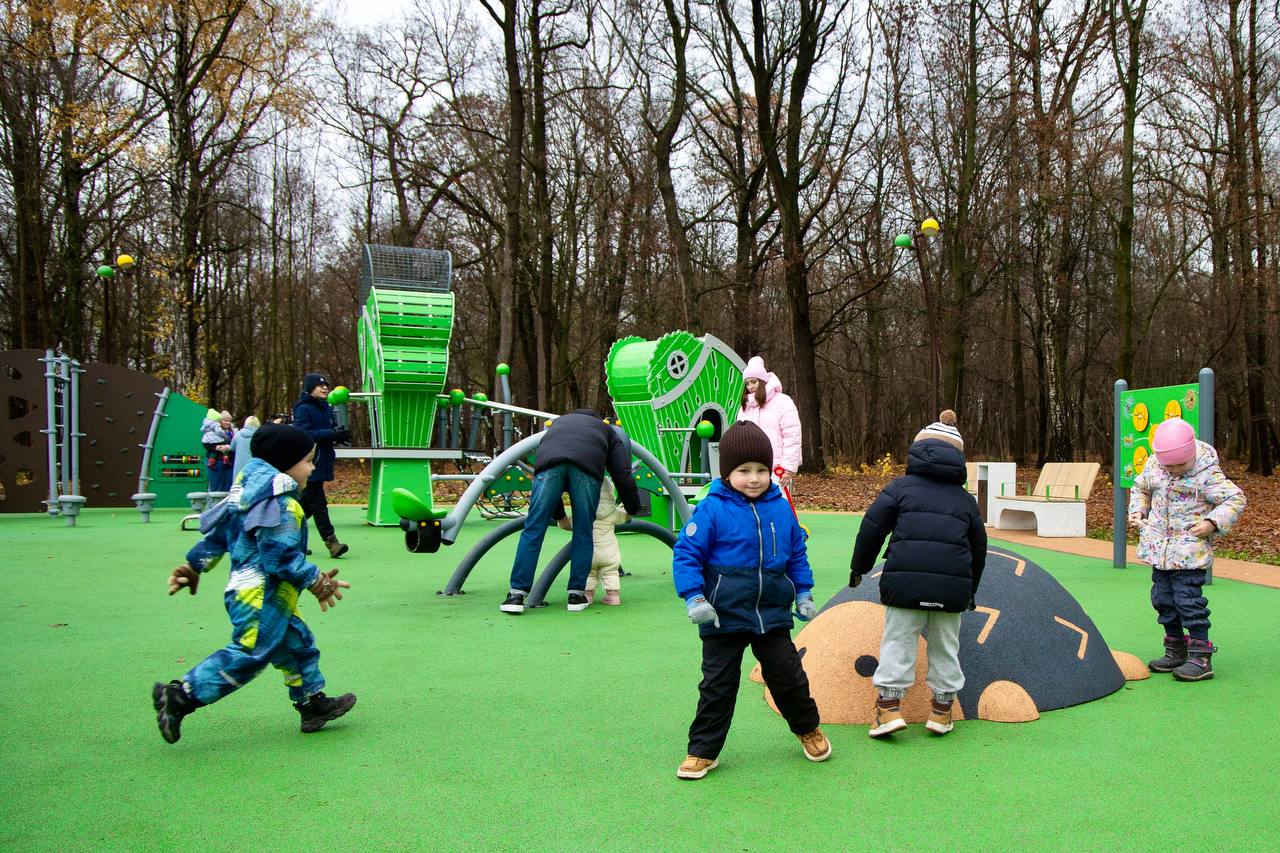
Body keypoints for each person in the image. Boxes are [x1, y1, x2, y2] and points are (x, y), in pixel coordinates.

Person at [151, 423, 357, 744]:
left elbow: (219, 535)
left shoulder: (246, 497)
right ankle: (181, 694)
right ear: (284, 463)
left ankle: (312, 703)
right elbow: (280, 557)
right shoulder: (281, 504)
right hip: (263, 597)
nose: (312, 467)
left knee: (297, 643)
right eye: (308, 460)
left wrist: (194, 566)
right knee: (250, 653)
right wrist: (315, 580)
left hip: (259, 594)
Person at [671, 420, 830, 780]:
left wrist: (803, 592)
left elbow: (796, 554)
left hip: (770, 614)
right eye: (744, 471)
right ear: (727, 472)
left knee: (788, 677)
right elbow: (686, 555)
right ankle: (702, 750)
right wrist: (694, 596)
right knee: (717, 685)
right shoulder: (712, 509)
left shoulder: (780, 507)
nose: (754, 478)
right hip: (722, 616)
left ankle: (808, 728)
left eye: (761, 470)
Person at [849, 410, 986, 739]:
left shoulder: (899, 489)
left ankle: (888, 707)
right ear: (958, 459)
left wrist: (860, 567)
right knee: (945, 646)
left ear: (917, 451)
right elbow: (978, 548)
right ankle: (941, 710)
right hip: (951, 590)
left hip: (905, 583)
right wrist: (970, 591)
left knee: (898, 641)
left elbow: (871, 530)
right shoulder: (965, 501)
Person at [1128, 418, 1245, 681]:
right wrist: (1138, 510)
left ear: (1191, 453)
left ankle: (1201, 656)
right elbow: (1140, 488)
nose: (1174, 470)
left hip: (1189, 552)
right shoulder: (1155, 467)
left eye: (1180, 464)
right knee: (1162, 600)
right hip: (1159, 549)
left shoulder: (1206, 473)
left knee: (1188, 601)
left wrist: (1212, 522)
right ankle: (1176, 649)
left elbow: (1235, 498)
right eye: (1168, 465)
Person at [500, 409, 641, 614]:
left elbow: (550, 462)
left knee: (533, 529)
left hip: (549, 465)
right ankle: (576, 595)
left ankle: (516, 595)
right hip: (586, 468)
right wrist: (632, 507)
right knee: (584, 530)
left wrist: (559, 516)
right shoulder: (607, 430)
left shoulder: (556, 425)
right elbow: (622, 473)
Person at [292, 372, 351, 558]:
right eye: (320, 385)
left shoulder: (325, 407)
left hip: (321, 459)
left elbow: (327, 431)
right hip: (309, 462)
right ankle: (331, 541)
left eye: (326, 385)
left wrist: (338, 434)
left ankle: (289, 539)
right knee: (318, 503)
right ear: (310, 388)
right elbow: (304, 434)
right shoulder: (303, 409)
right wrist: (331, 434)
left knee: (306, 506)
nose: (325, 388)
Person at [559, 476, 629, 606]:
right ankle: (613, 597)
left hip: (588, 552)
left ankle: (588, 596)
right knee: (611, 572)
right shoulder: (613, 513)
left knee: (589, 574)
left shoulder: (581, 513)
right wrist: (625, 507)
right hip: (609, 553)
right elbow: (625, 516)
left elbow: (566, 525)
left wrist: (560, 519)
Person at [736, 356, 802, 490]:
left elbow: (792, 436)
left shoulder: (783, 402)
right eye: (747, 383)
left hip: (777, 470)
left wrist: (788, 468)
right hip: (750, 469)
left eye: (753, 382)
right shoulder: (745, 407)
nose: (750, 387)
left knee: (777, 508)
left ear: (762, 380)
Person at [200, 409, 235, 492]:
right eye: (225, 420)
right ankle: (214, 504)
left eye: (229, 421)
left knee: (229, 487)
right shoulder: (212, 431)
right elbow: (206, 444)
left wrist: (228, 446)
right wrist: (218, 447)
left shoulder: (233, 432)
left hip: (229, 463)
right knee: (216, 487)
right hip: (215, 463)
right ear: (220, 421)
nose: (227, 423)